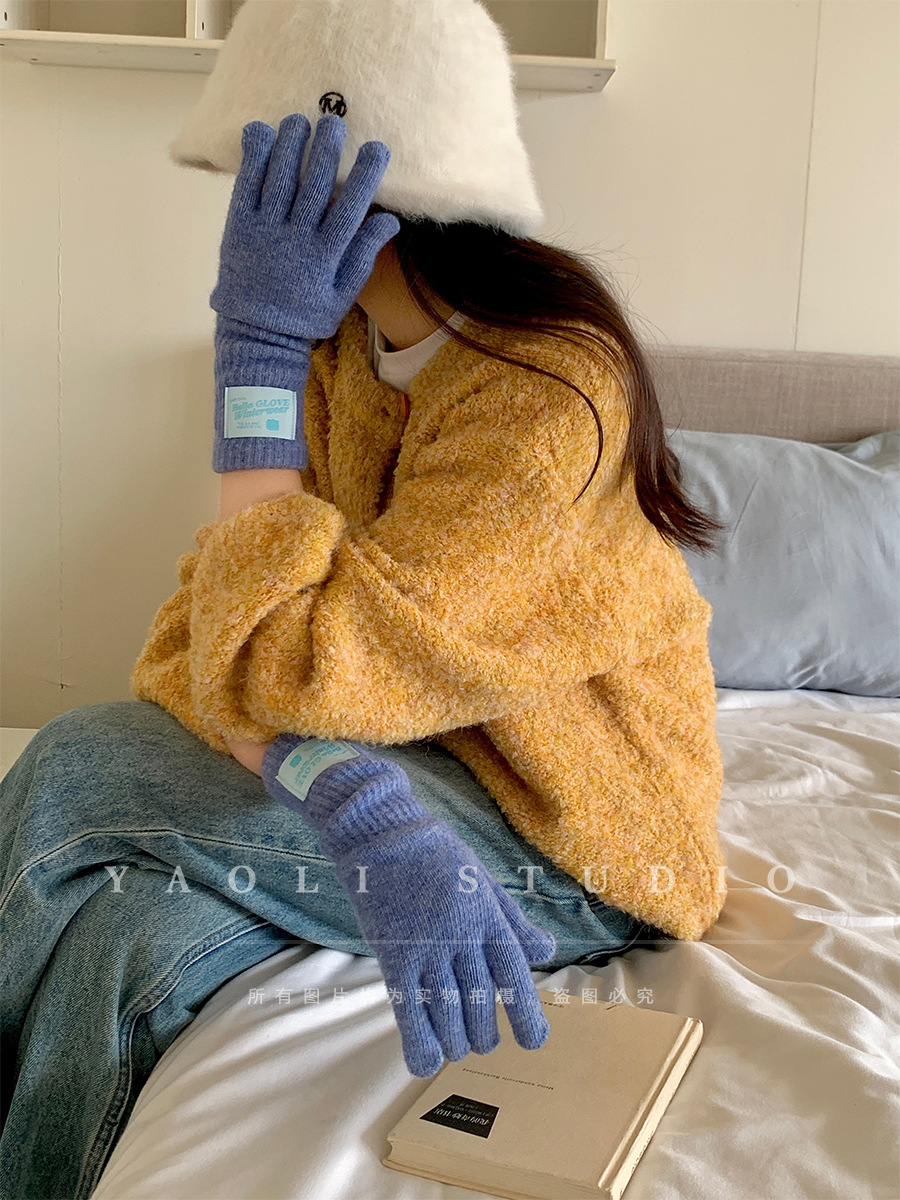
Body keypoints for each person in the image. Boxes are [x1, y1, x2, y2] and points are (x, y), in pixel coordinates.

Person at [0, 111, 726, 1200]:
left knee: (76, 768)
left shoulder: (547, 391)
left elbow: (272, 664)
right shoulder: (341, 353)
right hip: (415, 767)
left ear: (373, 194)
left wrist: (252, 356)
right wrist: (334, 784)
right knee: (124, 943)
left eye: (276, 183)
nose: (251, 220)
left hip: (580, 842)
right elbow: (203, 644)